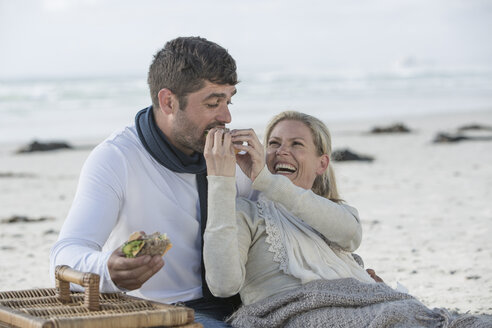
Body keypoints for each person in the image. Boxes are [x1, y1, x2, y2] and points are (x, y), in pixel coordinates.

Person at [203, 111, 491, 327]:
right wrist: (220, 179)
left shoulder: (335, 214)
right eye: (274, 143)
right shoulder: (245, 212)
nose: (282, 151)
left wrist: (266, 181)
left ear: (321, 163)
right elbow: (223, 284)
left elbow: (351, 235)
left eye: (296, 144)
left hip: (367, 306)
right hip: (300, 314)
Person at [49, 36, 250, 327]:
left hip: (247, 305)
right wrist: (108, 268)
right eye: (212, 103)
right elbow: (63, 255)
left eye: (228, 101)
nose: (227, 116)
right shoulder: (117, 157)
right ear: (168, 101)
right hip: (163, 312)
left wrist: (265, 179)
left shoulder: (237, 156)